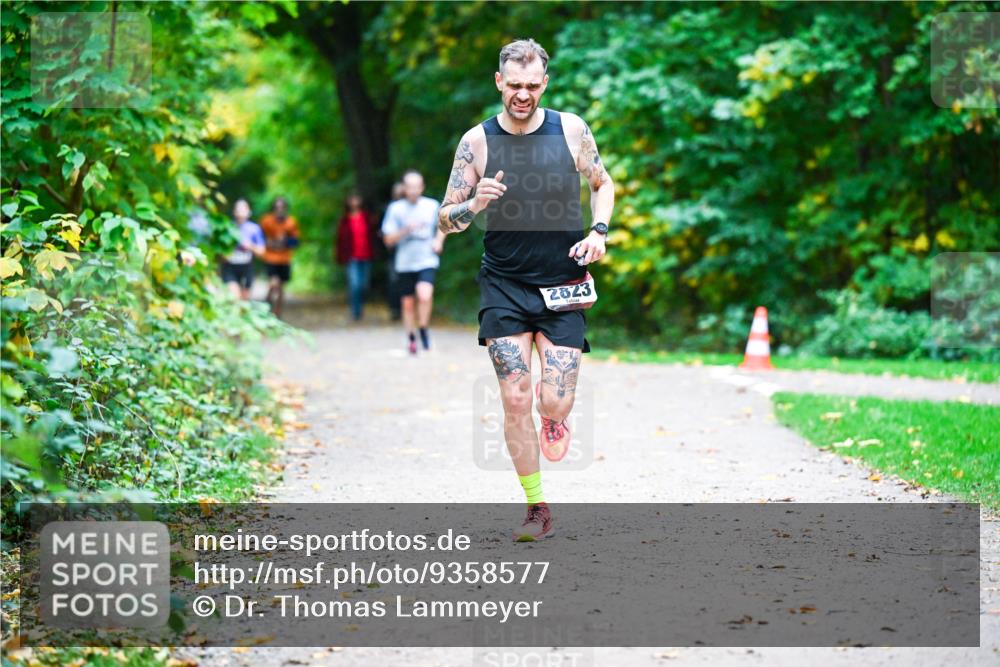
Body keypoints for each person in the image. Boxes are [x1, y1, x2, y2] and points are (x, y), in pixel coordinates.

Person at [437, 39, 614, 541]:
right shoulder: (477, 142)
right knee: (515, 397)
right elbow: (445, 219)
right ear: (499, 82)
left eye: (532, 85)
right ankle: (537, 506)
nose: (522, 94)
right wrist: (473, 205)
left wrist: (597, 233)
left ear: (545, 83)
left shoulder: (571, 129)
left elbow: (603, 184)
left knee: (552, 401)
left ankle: (555, 420)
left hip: (562, 282)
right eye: (514, 85)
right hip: (504, 284)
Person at [381, 170, 447, 354]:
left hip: (426, 258)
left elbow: (444, 225)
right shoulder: (396, 209)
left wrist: (438, 241)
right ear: (404, 188)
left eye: (416, 187)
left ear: (422, 187)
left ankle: (424, 328)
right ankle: (411, 336)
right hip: (405, 262)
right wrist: (404, 230)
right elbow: (387, 239)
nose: (413, 191)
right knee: (408, 302)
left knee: (424, 294)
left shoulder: (431, 205)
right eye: (409, 187)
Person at [336, 191, 379, 321]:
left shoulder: (366, 217)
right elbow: (340, 240)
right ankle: (356, 311)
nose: (354, 202)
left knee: (364, 284)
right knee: (354, 284)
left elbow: (374, 234)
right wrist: (340, 256)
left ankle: (359, 306)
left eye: (357, 199)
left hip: (366, 255)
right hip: (352, 256)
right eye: (352, 199)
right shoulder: (345, 220)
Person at [260, 196, 300, 318]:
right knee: (274, 283)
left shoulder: (291, 222)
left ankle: (277, 314)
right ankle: (267, 302)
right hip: (270, 257)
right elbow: (260, 237)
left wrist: (285, 241)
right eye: (277, 207)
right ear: (273, 208)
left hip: (285, 258)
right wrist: (269, 243)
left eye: (282, 207)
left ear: (285, 209)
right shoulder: (266, 221)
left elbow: (295, 241)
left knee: (281, 287)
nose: (279, 210)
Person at [220, 199, 265, 300]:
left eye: (243, 209)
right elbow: (219, 251)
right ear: (234, 211)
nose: (241, 212)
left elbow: (262, 252)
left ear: (249, 212)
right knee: (234, 297)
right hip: (230, 267)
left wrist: (250, 246)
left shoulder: (255, 229)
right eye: (238, 209)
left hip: (246, 267)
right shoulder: (227, 227)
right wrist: (226, 254)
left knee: (244, 301)